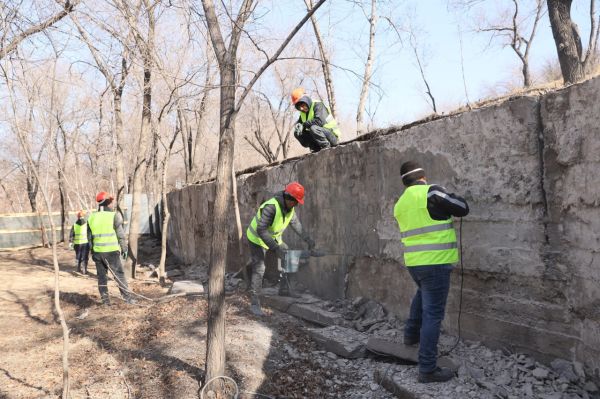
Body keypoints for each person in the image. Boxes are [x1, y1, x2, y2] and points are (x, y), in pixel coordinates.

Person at [393, 161, 469, 383]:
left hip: (414, 263)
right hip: (436, 263)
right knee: (433, 314)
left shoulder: (400, 203)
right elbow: (462, 208)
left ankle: (410, 335)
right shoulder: (432, 192)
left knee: (421, 295)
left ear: (405, 181)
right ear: (422, 177)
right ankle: (427, 368)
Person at [245, 182, 315, 316]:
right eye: (295, 202)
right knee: (260, 268)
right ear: (288, 198)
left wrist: (307, 239)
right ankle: (254, 303)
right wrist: (276, 248)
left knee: (289, 255)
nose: (296, 205)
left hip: (272, 238)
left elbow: (296, 224)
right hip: (256, 239)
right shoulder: (271, 207)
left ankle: (284, 289)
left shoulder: (290, 208)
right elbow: (261, 230)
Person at [87, 191, 136, 305]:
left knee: (102, 278)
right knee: (119, 276)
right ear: (108, 202)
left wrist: (92, 252)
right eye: (111, 201)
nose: (112, 204)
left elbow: (89, 238)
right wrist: (124, 249)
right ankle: (127, 299)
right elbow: (121, 235)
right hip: (111, 253)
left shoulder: (91, 217)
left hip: (98, 253)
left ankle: (105, 301)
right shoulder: (114, 215)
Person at [291, 87, 341, 152]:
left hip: (332, 136)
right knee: (298, 133)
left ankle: (326, 148)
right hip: (320, 136)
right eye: (299, 107)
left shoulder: (318, 105)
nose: (302, 108)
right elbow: (300, 123)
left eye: (302, 105)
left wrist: (303, 125)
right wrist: (298, 125)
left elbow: (319, 121)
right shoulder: (303, 113)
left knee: (313, 128)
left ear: (306, 100)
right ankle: (315, 148)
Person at [68, 210, 90, 275]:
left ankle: (78, 268)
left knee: (78, 256)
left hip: (77, 244)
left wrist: (71, 242)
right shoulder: (86, 225)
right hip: (85, 243)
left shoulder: (74, 225)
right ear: (84, 216)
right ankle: (84, 270)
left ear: (78, 216)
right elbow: (89, 234)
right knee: (85, 256)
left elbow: (71, 234)